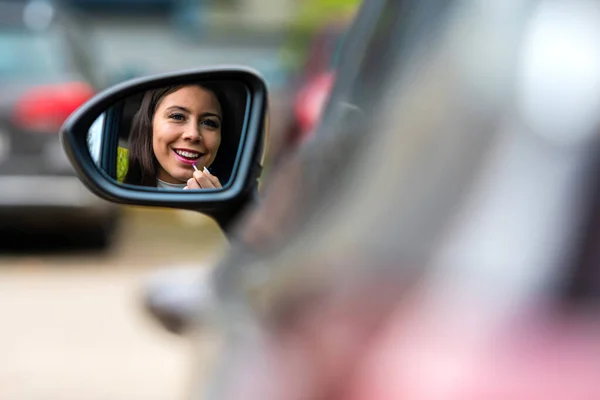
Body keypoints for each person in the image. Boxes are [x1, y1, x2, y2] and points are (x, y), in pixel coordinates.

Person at [124, 83, 236, 189]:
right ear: (149, 123)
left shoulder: (237, 194)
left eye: (209, 122)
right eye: (177, 116)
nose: (193, 134)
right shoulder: (117, 181)